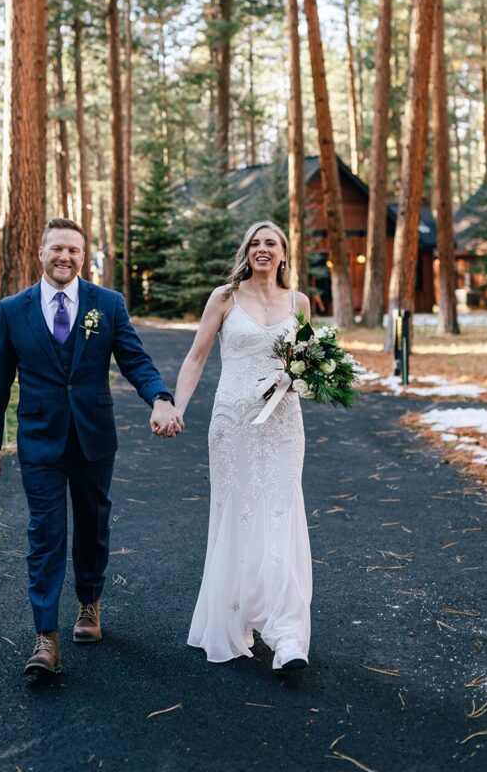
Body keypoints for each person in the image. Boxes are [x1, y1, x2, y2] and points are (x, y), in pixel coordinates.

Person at [0, 217, 183, 678]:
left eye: (73, 249)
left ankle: (89, 604)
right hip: (39, 441)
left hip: (93, 438)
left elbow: (135, 359)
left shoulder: (106, 305)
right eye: (56, 249)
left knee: (92, 527)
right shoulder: (13, 309)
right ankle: (45, 636)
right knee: (45, 535)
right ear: (41, 253)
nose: (64, 257)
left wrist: (161, 397)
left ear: (83, 255)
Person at [173, 220, 313, 671]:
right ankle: (237, 618)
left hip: (283, 425)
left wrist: (301, 379)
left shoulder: (300, 303)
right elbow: (196, 355)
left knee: (280, 514)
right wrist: (176, 407)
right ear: (246, 252)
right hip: (233, 423)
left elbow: (308, 365)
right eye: (255, 243)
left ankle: (286, 632)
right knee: (238, 515)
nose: (262, 249)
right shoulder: (225, 297)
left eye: (271, 243)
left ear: (285, 253)